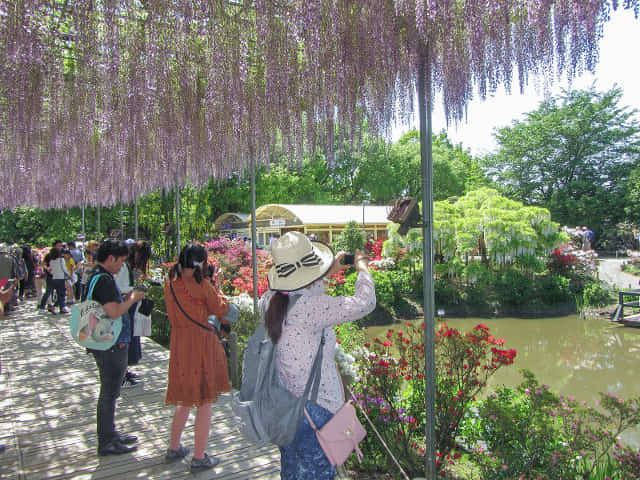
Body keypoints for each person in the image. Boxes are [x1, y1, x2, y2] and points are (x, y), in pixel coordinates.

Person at [261, 231, 375, 480]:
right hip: (317, 409)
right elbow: (365, 302)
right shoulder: (312, 308)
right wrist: (362, 268)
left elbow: (297, 290)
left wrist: (328, 271)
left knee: (292, 471)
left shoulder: (269, 300)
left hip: (287, 408)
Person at [164, 244, 230, 472]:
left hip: (180, 345)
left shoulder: (171, 282)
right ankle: (199, 456)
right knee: (204, 401)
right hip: (201, 345)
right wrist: (217, 285)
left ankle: (174, 447)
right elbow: (220, 308)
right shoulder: (201, 284)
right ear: (201, 263)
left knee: (184, 398)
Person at [84, 240, 146, 456]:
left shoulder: (95, 276)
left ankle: (110, 433)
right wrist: (134, 299)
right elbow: (114, 312)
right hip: (110, 344)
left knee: (110, 392)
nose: (121, 267)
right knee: (109, 393)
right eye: (120, 262)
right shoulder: (104, 280)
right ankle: (106, 441)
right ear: (111, 259)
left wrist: (127, 298)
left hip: (101, 342)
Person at [38, 246, 69, 314]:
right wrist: (69, 275)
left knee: (48, 292)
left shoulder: (51, 261)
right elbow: (64, 269)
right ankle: (61, 307)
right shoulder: (61, 260)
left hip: (53, 278)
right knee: (61, 294)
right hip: (60, 278)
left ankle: (42, 307)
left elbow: (50, 270)